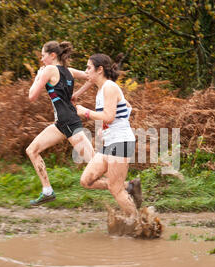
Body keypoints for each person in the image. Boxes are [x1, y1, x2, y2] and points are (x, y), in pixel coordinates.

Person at [73, 53, 162, 238]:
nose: (86, 71)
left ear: (99, 69)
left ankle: (140, 225)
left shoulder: (110, 87)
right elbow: (126, 107)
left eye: (88, 67)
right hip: (110, 142)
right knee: (86, 180)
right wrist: (105, 129)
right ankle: (129, 187)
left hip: (120, 142)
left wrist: (85, 112)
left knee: (115, 189)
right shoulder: (102, 90)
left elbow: (109, 116)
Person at [27, 41, 94, 205]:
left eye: (43, 56)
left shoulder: (48, 70)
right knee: (32, 150)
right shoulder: (68, 71)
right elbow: (91, 77)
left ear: (52, 55)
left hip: (69, 122)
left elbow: (31, 96)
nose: (42, 60)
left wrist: (37, 77)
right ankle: (47, 191)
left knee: (94, 163)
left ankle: (126, 187)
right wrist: (76, 94)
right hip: (61, 124)